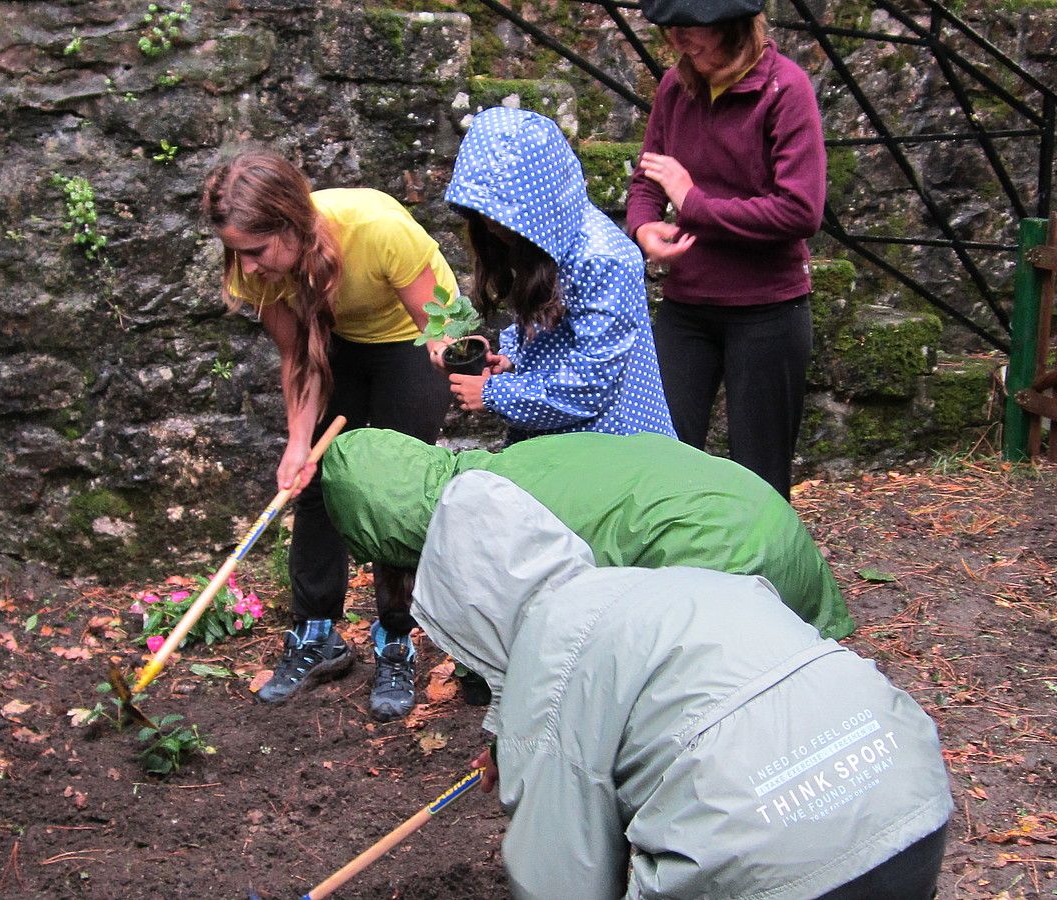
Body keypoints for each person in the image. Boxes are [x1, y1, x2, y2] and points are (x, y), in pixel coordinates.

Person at [413, 470, 952, 900]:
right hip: (909, 802)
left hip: (769, 870)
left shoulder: (547, 668)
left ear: (467, 612)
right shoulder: (672, 584)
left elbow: (559, 875)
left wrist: (527, 750)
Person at [200, 151, 459, 721]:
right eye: (235, 252)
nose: (246, 266)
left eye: (255, 250)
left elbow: (440, 324)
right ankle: (316, 633)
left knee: (395, 492)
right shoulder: (260, 272)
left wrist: (451, 355)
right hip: (337, 344)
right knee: (312, 485)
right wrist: (298, 446)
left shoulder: (378, 228)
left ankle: (396, 638)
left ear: (291, 225)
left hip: (411, 342)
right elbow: (298, 357)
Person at [322, 427, 854, 640]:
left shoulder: (488, 533)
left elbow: (550, 651)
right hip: (775, 527)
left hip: (730, 571)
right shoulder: (519, 460)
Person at [626, 0, 826, 498]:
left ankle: (763, 572)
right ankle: (673, 570)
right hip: (688, 306)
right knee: (661, 452)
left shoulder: (785, 89)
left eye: (691, 29)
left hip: (769, 309)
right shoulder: (676, 86)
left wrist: (693, 203)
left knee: (759, 473)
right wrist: (644, 226)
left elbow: (801, 211)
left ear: (733, 26)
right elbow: (651, 178)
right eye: (670, 30)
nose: (678, 42)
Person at [444, 106, 676, 442]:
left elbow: (590, 382)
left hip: (610, 445)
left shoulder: (604, 260)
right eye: (484, 216)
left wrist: (495, 394)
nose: (492, 228)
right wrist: (510, 358)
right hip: (556, 439)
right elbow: (551, 329)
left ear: (540, 199)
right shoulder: (543, 241)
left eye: (502, 219)